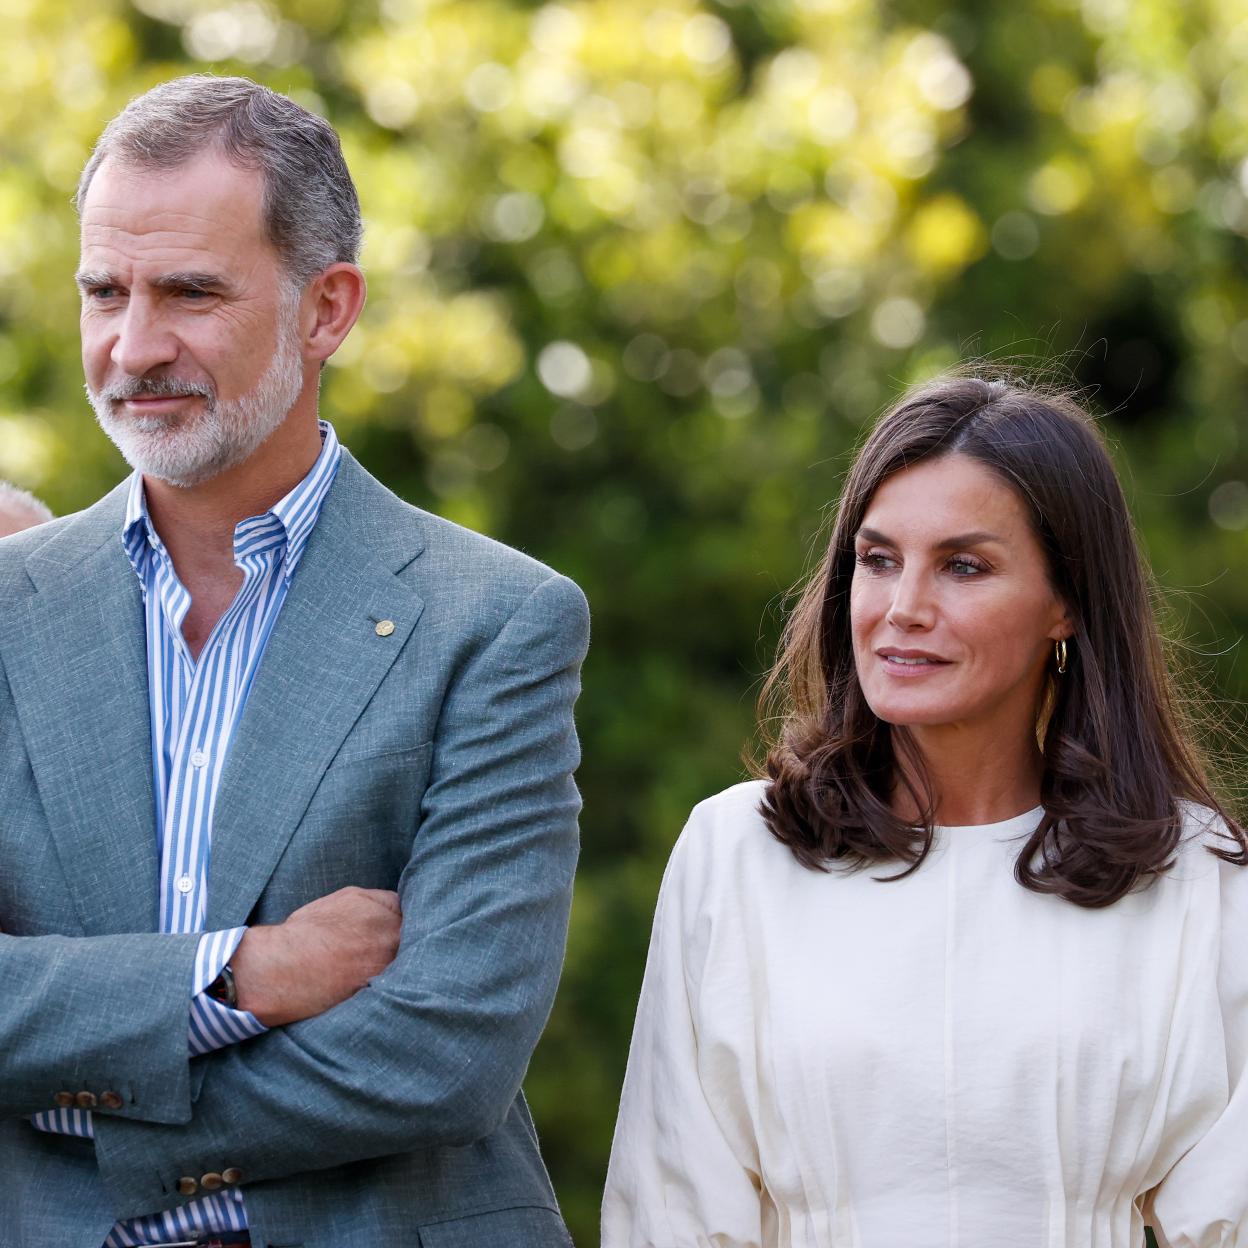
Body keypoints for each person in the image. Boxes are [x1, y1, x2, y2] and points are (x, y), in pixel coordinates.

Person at [0, 76, 588, 1248]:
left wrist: (82, 1106)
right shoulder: (9, 609)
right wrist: (234, 979)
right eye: (105, 292)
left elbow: (443, 1052)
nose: (133, 346)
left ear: (328, 309)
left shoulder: (497, 620)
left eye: (191, 293)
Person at [601, 374, 1248, 1248]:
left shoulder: (1195, 872)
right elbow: (672, 1211)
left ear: (1067, 602)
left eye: (964, 566)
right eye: (877, 560)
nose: (903, 609)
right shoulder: (737, 854)